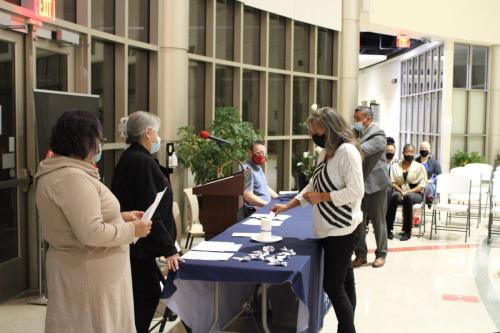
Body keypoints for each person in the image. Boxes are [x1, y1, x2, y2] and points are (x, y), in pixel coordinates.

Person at [36, 111, 152, 333]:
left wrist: (120, 217)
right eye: (99, 139)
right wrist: (131, 229)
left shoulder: (65, 172)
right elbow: (91, 232)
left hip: (89, 271)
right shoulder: (71, 178)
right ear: (84, 140)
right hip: (89, 275)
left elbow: (82, 219)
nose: (100, 145)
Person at [271, 107, 364, 333]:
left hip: (342, 229)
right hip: (327, 227)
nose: (312, 134)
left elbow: (356, 191)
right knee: (344, 282)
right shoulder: (326, 152)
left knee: (333, 286)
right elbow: (313, 185)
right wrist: (289, 205)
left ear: (330, 129)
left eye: (315, 130)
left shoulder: (347, 153)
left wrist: (322, 198)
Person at [111, 111, 183, 333]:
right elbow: (152, 210)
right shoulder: (142, 162)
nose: (158, 138)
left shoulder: (131, 157)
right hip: (138, 244)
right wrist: (170, 249)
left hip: (136, 244)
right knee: (146, 296)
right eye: (157, 133)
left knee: (144, 295)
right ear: (149, 133)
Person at [351, 106, 390, 268]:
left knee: (378, 221)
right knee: (358, 222)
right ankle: (361, 255)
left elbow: (361, 150)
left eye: (357, 119)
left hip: (376, 186)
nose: (355, 122)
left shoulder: (378, 135)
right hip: (359, 186)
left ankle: (381, 254)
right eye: (354, 118)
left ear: (367, 119)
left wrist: (349, 140)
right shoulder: (358, 134)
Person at [386, 143, 427, 241]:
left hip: (415, 193)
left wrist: (408, 191)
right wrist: (400, 190)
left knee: (408, 198)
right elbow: (392, 182)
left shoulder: (419, 167)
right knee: (394, 196)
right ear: (403, 153)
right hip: (400, 190)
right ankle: (388, 229)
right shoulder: (395, 166)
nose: (409, 154)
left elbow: (422, 185)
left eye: (412, 152)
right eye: (407, 152)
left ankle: (407, 231)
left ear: (415, 153)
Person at [242, 141, 279, 210]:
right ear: (250, 153)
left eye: (263, 153)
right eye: (258, 153)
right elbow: (247, 195)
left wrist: (279, 199)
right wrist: (268, 206)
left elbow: (265, 187)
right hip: (257, 210)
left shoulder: (258, 167)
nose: (261, 155)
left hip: (266, 207)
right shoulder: (247, 169)